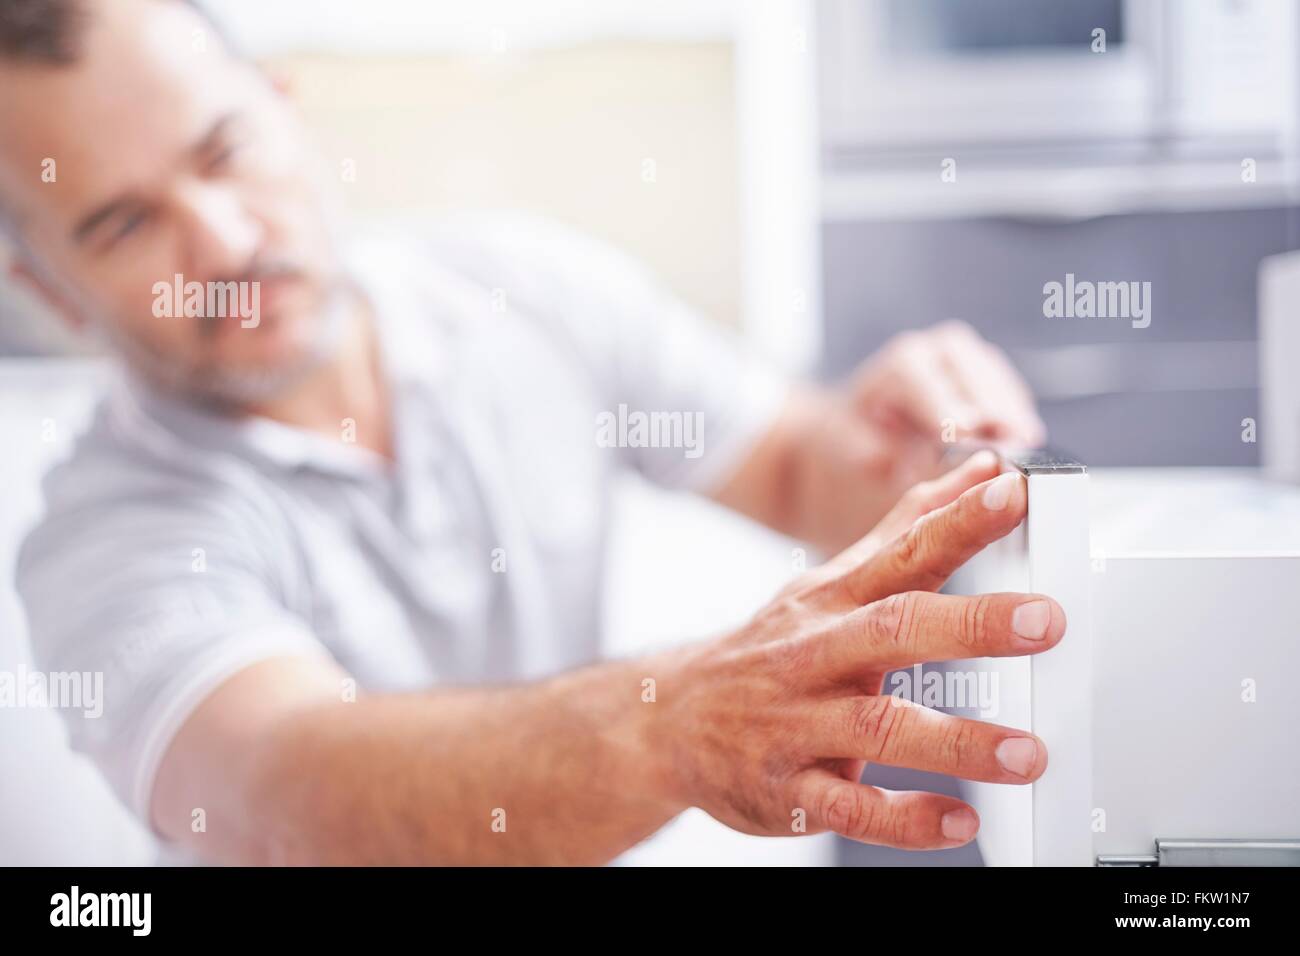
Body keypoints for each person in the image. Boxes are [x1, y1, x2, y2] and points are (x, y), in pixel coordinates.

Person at [0, 0, 1062, 865]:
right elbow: (286, 789)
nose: (224, 240)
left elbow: (795, 466)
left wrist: (898, 448)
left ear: (284, 109)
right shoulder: (102, 537)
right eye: (126, 222)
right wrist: (671, 725)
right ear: (48, 288)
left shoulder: (523, 291)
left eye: (225, 149)